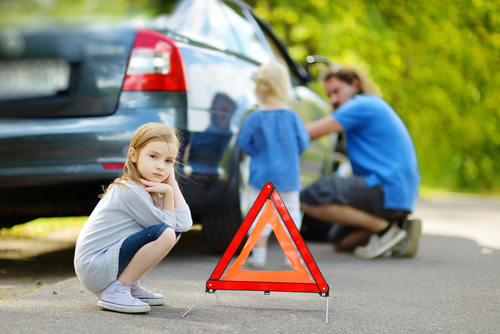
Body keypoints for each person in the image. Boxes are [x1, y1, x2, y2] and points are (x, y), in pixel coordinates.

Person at [300, 66, 421, 259]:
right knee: (339, 240)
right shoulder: (372, 105)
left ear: (354, 84)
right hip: (400, 194)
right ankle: (397, 225)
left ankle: (384, 230)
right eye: (329, 94)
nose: (333, 99)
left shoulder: (360, 104)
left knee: (310, 196)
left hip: (386, 187)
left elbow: (311, 132)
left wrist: (277, 123)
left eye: (337, 91)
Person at [74, 123, 193, 313]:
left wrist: (171, 182)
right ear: (133, 155)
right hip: (95, 266)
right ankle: (117, 290)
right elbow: (166, 230)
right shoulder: (130, 190)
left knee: (173, 232)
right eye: (153, 156)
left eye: (169, 161)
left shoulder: (149, 188)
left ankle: (128, 285)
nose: (160, 166)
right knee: (167, 233)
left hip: (105, 263)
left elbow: (184, 224)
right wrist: (169, 194)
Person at [237, 62, 310, 268]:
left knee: (259, 214)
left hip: (261, 176)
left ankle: (259, 255)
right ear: (284, 86)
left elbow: (243, 144)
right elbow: (303, 143)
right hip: (288, 176)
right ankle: (291, 255)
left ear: (258, 87)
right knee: (291, 214)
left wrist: (259, 152)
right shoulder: (293, 117)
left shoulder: (254, 118)